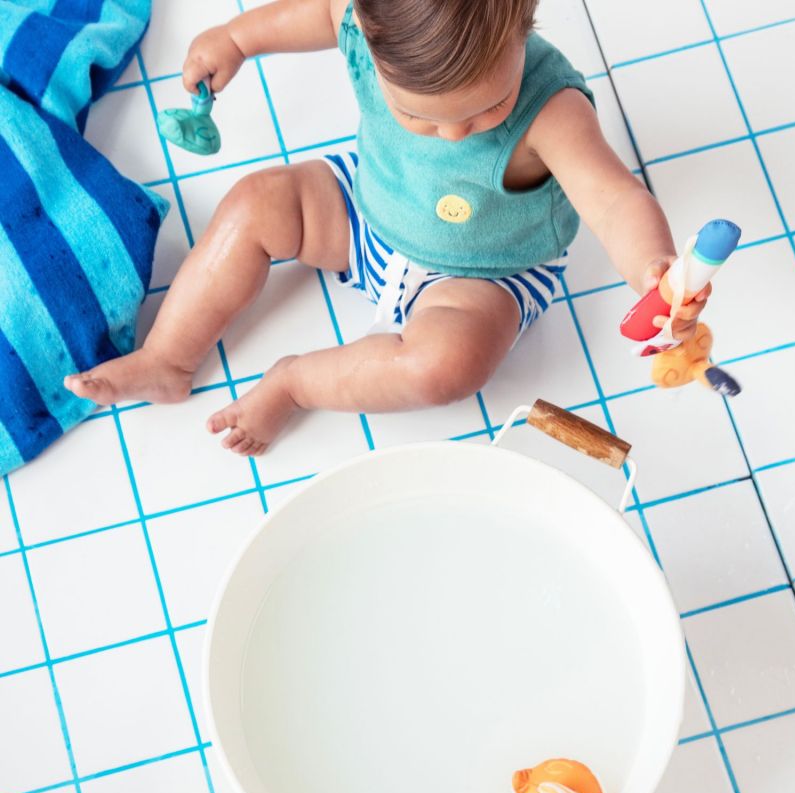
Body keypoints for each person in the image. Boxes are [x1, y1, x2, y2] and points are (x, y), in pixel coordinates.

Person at [64, 0, 709, 456]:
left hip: (482, 273)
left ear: (524, 17)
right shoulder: (359, 18)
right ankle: (167, 359)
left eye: (487, 109)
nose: (456, 133)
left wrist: (654, 268)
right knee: (255, 201)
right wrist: (237, 39)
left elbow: (614, 198)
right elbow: (317, 13)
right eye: (421, 116)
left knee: (446, 366)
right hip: (367, 206)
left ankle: (295, 382)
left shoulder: (552, 108)